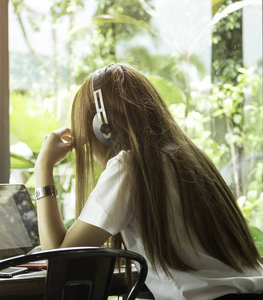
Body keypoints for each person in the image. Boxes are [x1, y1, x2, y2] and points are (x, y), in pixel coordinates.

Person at [34, 63, 263, 300]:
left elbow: (59, 262)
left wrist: (44, 166)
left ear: (104, 129)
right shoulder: (193, 159)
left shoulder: (130, 167)